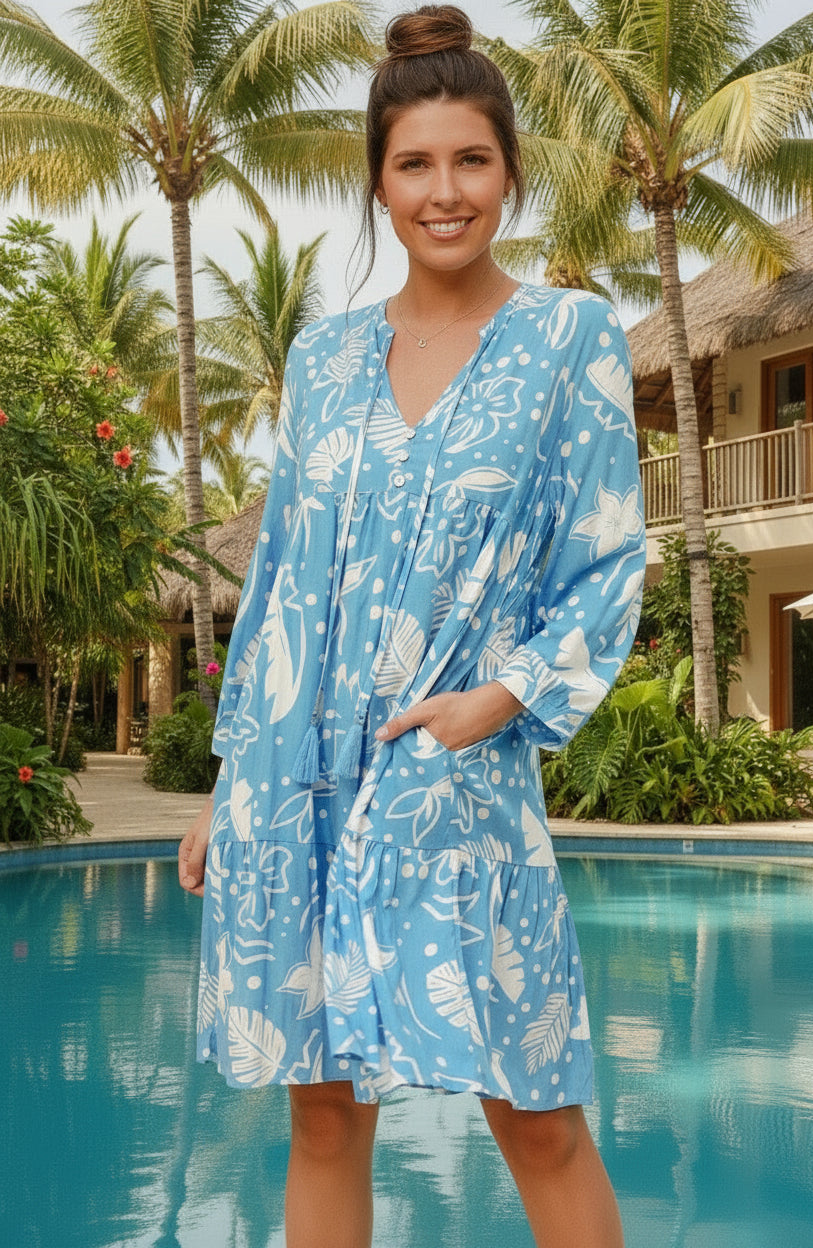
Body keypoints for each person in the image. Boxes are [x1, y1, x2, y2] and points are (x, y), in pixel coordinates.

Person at [179, 6, 645, 1245]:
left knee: (535, 1108)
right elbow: (277, 581)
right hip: (297, 776)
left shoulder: (569, 338)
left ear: (509, 170)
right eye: (414, 165)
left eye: (471, 160)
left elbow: (606, 561)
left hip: (457, 764)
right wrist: (229, 786)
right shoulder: (323, 356)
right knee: (322, 1117)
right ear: (379, 184)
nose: (445, 192)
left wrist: (493, 705)